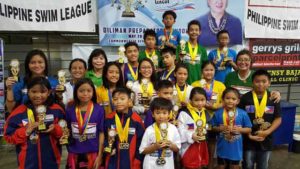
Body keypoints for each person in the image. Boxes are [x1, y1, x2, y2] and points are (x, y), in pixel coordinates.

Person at [4, 77, 65, 169]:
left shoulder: (57, 110)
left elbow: (65, 133)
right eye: (34, 91)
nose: (38, 95)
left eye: (42, 91)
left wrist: (55, 129)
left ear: (48, 92)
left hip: (52, 163)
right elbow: (8, 136)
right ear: (28, 92)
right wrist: (25, 131)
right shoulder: (18, 113)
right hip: (27, 164)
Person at [238, 70, 282, 169]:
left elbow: (278, 119)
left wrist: (267, 132)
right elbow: (239, 119)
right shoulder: (245, 98)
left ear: (269, 83)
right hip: (248, 139)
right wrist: (248, 134)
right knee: (247, 164)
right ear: (252, 82)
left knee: (263, 165)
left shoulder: (274, 98)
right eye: (257, 81)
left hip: (267, 139)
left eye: (264, 81)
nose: (260, 84)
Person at [191, 61, 225, 169]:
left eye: (211, 70)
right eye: (206, 70)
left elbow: (225, 101)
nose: (209, 72)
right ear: (202, 71)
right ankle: (197, 163)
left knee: (211, 141)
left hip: (214, 117)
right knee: (198, 140)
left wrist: (215, 107)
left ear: (215, 71)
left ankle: (210, 164)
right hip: (198, 117)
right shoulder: (195, 84)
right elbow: (191, 100)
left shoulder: (220, 85)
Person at [66, 78, 105, 169]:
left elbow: (101, 133)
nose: (85, 94)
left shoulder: (99, 109)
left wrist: (100, 155)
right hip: (74, 153)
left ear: (93, 92)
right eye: (81, 91)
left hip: (93, 153)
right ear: (76, 92)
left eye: (89, 91)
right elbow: (66, 130)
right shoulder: (70, 109)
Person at [104, 87, 145, 169]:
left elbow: (141, 142)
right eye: (115, 99)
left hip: (132, 163)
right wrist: (108, 150)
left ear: (129, 101)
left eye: (122, 99)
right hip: (112, 162)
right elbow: (104, 140)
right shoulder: (109, 118)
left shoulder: (137, 120)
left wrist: (137, 160)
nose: (118, 102)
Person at [212, 87, 252, 169]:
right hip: (222, 148)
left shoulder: (243, 113)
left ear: (238, 101)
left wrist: (240, 129)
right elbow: (211, 127)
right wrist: (219, 129)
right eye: (227, 98)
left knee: (234, 166)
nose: (230, 101)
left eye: (233, 99)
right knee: (221, 166)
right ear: (223, 100)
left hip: (236, 150)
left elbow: (249, 129)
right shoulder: (218, 113)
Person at [140, 97, 181, 169]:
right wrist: (155, 147)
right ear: (153, 114)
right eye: (158, 113)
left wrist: (170, 145)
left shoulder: (173, 129)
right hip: (150, 165)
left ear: (169, 114)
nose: (161, 116)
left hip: (167, 166)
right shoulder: (149, 130)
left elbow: (177, 148)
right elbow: (142, 150)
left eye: (164, 113)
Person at [177, 87, 211, 169]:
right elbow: (180, 130)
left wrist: (207, 129)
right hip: (188, 146)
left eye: (202, 100)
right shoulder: (184, 113)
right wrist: (191, 135)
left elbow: (208, 127)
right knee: (189, 165)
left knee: (200, 165)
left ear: (206, 100)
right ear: (190, 100)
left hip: (202, 144)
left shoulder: (206, 113)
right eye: (196, 100)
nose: (199, 103)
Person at [177, 20, 208, 84]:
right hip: (184, 82)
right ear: (187, 32)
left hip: (198, 82)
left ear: (200, 32)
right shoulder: (180, 47)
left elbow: (205, 67)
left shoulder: (202, 50)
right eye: (191, 30)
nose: (194, 32)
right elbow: (176, 65)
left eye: (196, 30)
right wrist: (180, 58)